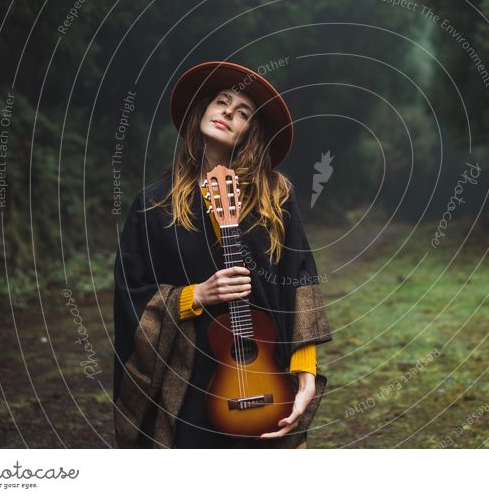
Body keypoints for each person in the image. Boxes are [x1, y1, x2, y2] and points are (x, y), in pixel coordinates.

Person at [113, 61, 333, 449]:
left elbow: (301, 278)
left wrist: (306, 370)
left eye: (243, 112)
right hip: (187, 374)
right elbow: (131, 289)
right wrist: (192, 296)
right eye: (221, 101)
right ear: (203, 109)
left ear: (253, 132)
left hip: (265, 370)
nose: (228, 112)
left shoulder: (275, 196)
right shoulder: (152, 204)